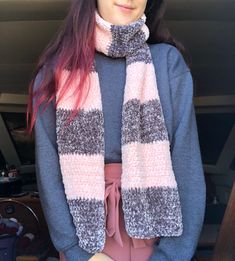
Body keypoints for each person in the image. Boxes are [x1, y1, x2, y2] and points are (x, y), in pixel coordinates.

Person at [27, 0, 206, 260]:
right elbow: (48, 174)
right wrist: (77, 252)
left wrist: (171, 255)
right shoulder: (55, 72)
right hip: (85, 239)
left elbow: (187, 167)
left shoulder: (168, 64)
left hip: (156, 235)